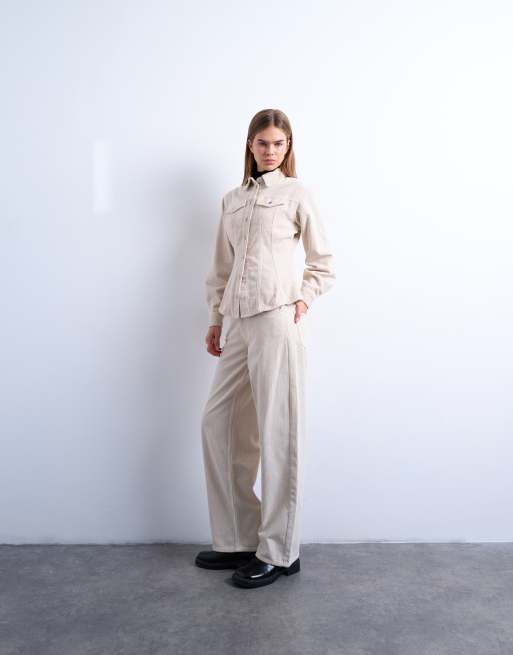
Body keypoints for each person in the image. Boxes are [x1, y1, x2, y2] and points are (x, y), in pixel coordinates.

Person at [195, 108, 336, 589]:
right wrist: (215, 319)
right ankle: (239, 537)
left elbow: (323, 261)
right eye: (262, 143)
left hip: (277, 318)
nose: (270, 150)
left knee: (279, 433)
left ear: (287, 146)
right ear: (250, 146)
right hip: (236, 324)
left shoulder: (297, 194)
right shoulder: (232, 200)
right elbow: (221, 267)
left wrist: (304, 298)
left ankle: (280, 551)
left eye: (278, 143)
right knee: (218, 423)